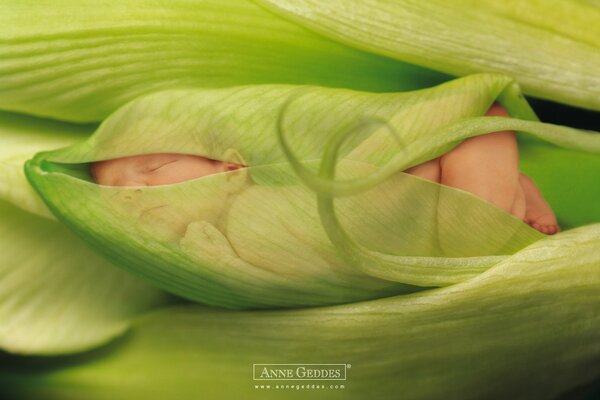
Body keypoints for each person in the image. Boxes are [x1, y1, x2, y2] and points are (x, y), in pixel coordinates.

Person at [90, 104, 559, 235]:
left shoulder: (259, 176)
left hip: (425, 176)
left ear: (230, 165)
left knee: (479, 218)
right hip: (424, 205)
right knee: (484, 222)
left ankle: (484, 136)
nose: (133, 190)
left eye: (152, 168)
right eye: (118, 196)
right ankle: (519, 188)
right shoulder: (213, 238)